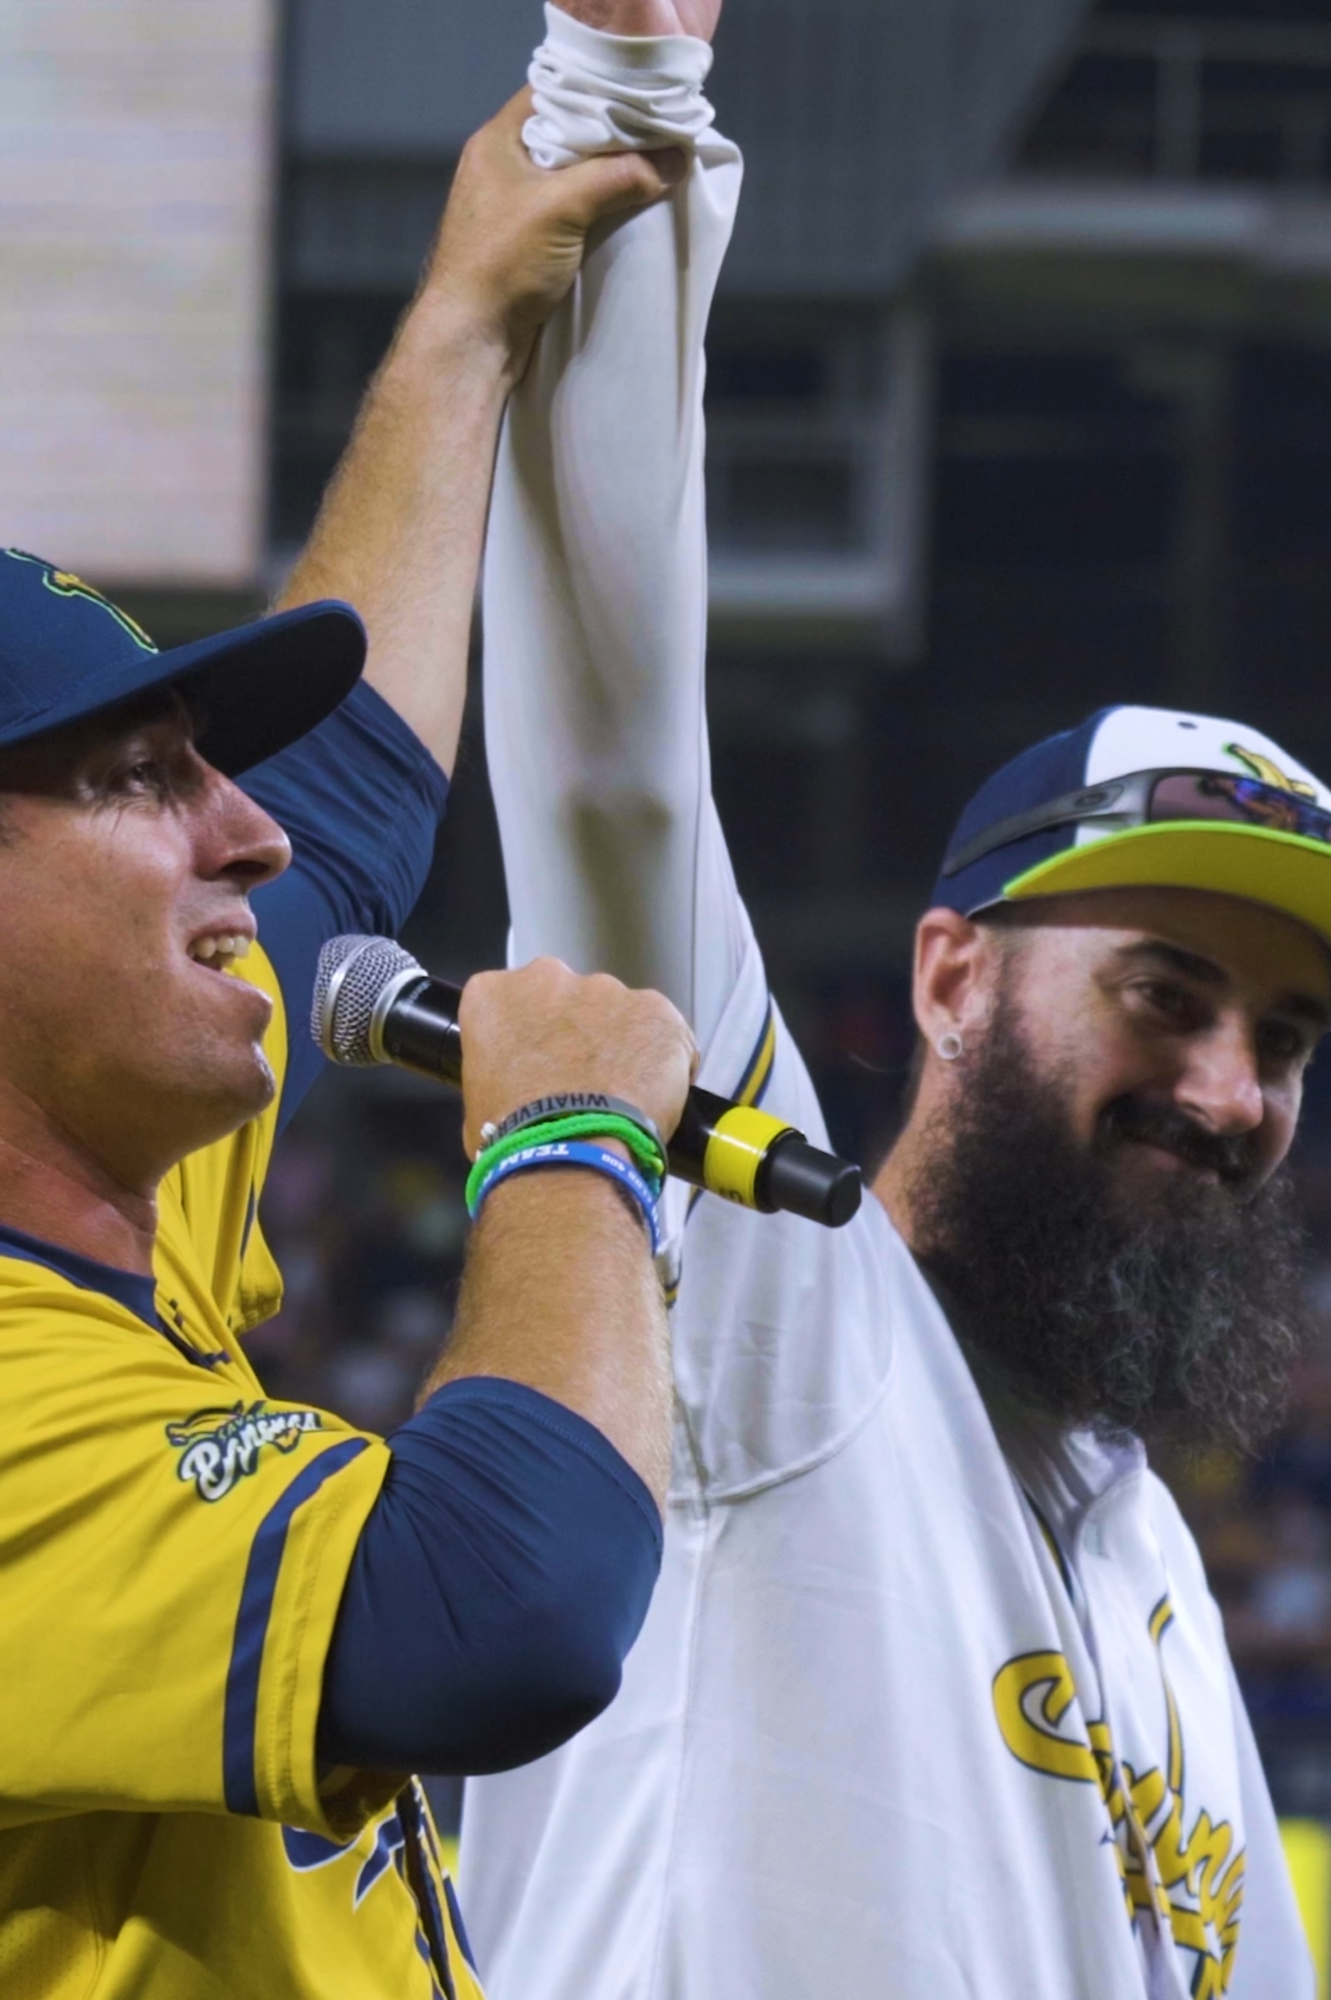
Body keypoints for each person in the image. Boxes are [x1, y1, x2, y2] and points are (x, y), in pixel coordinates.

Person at [458, 7, 1331, 1998]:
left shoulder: (1147, 1552)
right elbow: (613, 772)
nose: (1231, 1088)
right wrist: (627, 94)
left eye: (1283, 1037)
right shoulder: (770, 1307)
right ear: (950, 974)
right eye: (1168, 994)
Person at [0, 96, 697, 2000]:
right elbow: (502, 1614)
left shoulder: (97, 1164)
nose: (252, 834)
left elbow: (359, 790)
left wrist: (469, 310)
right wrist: (563, 1147)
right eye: (144, 779)